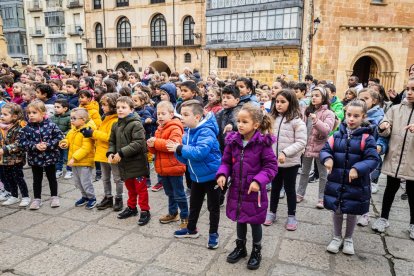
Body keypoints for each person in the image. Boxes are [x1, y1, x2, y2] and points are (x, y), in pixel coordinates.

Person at [216, 103, 278, 270]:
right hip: (237, 189)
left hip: (254, 191)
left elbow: (271, 166)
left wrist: (259, 180)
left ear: (256, 125)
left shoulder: (262, 144)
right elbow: (226, 161)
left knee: (255, 221)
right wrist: (222, 174)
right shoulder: (233, 141)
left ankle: (256, 250)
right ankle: (240, 247)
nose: (240, 125)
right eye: (239, 121)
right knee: (240, 218)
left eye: (245, 122)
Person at [321, 99, 380, 254]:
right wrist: (327, 158)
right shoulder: (336, 135)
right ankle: (336, 236)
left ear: (363, 117)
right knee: (337, 210)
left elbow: (373, 159)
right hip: (337, 180)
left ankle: (348, 238)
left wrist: (357, 168)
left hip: (355, 183)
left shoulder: (367, 138)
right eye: (349, 115)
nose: (351, 119)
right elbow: (326, 149)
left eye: (356, 116)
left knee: (352, 211)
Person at [166, 100, 221, 249]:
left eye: (185, 115)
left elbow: (199, 153)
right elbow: (185, 158)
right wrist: (177, 150)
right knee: (194, 204)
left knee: (213, 207)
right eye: (181, 114)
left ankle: (213, 234)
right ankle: (191, 229)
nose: (181, 118)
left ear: (197, 117)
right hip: (196, 176)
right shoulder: (187, 132)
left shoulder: (206, 131)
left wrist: (180, 148)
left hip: (212, 176)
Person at [371, 78, 414, 240]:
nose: (409, 92)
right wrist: (383, 127)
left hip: (412, 159)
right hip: (395, 157)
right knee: (390, 189)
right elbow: (385, 125)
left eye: (413, 89)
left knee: (412, 192)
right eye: (407, 88)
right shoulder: (395, 109)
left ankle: (413, 223)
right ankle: (383, 218)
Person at [264, 90, 307, 230]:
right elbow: (268, 136)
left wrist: (285, 152)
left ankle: (291, 215)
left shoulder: (297, 122)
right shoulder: (272, 119)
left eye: (283, 102)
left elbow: (301, 142)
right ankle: (272, 212)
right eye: (277, 101)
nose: (279, 104)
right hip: (274, 162)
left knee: (289, 189)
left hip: (290, 162)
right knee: (275, 188)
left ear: (291, 103)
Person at [108, 96, 151, 226]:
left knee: (141, 189)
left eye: (124, 107)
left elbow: (138, 143)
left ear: (131, 109)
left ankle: (145, 211)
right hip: (124, 164)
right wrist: (110, 152)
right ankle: (131, 208)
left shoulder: (136, 123)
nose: (120, 110)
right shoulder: (115, 124)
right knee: (130, 188)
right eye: (118, 108)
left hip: (137, 163)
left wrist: (121, 152)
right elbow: (112, 141)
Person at [147, 101, 188, 229]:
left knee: (179, 194)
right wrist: (151, 145)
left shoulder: (175, 127)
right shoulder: (160, 128)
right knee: (170, 193)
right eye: (158, 114)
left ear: (171, 114)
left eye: (163, 113)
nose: (160, 116)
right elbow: (156, 149)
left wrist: (156, 142)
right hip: (163, 167)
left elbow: (172, 145)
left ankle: (185, 217)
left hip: (174, 166)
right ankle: (173, 213)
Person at [81, 93, 124, 211]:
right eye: (102, 105)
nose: (102, 107)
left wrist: (93, 133)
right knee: (105, 178)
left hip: (112, 153)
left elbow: (110, 136)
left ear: (113, 106)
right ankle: (108, 197)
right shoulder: (105, 117)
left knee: (117, 178)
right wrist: (91, 132)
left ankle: (119, 198)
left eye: (105, 105)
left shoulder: (115, 120)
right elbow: (101, 132)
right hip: (102, 152)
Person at [19, 101, 64, 210]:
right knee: (37, 179)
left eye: (34, 112)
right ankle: (37, 199)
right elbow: (22, 143)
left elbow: (59, 137)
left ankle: (54, 196)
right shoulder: (26, 128)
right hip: (35, 158)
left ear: (43, 113)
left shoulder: (51, 125)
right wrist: (35, 146)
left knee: (52, 178)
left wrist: (48, 145)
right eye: (29, 113)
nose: (31, 115)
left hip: (50, 157)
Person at [296, 87, 335, 208]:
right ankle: (300, 193)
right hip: (307, 146)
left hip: (321, 148)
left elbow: (327, 130)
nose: (313, 97)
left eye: (317, 95)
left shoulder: (329, 113)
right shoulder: (306, 110)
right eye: (312, 95)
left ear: (323, 98)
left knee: (323, 174)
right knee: (304, 172)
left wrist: (316, 120)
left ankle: (322, 198)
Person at [59, 108, 97, 209]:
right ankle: (84, 196)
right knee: (78, 182)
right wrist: (64, 143)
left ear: (83, 120)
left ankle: (92, 198)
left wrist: (74, 158)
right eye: (71, 118)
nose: (71, 120)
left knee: (85, 181)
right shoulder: (73, 130)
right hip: (75, 162)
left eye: (74, 118)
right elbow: (67, 139)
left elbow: (86, 148)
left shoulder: (86, 131)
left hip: (84, 162)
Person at [0, 103, 30, 207]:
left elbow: (19, 144)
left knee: (18, 178)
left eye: (5, 114)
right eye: (1, 114)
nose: (2, 116)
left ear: (14, 116)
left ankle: (26, 197)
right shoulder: (3, 127)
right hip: (5, 159)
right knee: (9, 178)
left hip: (16, 159)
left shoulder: (20, 128)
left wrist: (4, 149)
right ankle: (14, 196)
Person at [51, 99, 72, 179]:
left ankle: (69, 170)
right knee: (58, 156)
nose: (55, 108)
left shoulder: (69, 117)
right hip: (57, 140)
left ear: (65, 108)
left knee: (67, 156)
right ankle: (58, 170)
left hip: (65, 140)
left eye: (58, 107)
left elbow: (71, 129)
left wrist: (64, 134)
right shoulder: (53, 117)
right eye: (55, 107)